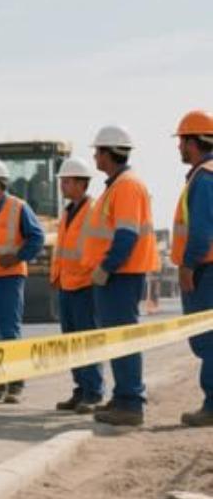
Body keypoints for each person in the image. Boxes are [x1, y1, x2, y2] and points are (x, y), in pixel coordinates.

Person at [83, 124, 159, 427]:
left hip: (120, 276)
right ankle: (123, 396)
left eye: (97, 151)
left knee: (124, 338)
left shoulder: (126, 186)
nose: (94, 156)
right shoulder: (116, 185)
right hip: (117, 276)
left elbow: (125, 236)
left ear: (108, 153)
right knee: (116, 339)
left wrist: (106, 268)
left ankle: (130, 402)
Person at [0, 159, 45, 403]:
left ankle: (15, 384)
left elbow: (37, 238)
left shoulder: (18, 207)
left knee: (9, 332)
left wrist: (17, 257)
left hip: (8, 279)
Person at [51, 157, 104, 413]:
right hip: (67, 284)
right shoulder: (68, 212)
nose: (62, 185)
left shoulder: (94, 211)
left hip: (85, 285)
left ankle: (93, 393)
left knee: (88, 341)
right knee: (71, 343)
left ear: (82, 183)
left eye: (67, 181)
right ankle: (80, 389)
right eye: (62, 180)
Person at [171, 110, 213, 427]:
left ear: (193, 142)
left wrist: (188, 266)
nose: (178, 148)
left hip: (205, 271)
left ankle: (212, 404)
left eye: (181, 141)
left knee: (207, 340)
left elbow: (200, 232)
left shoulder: (204, 178)